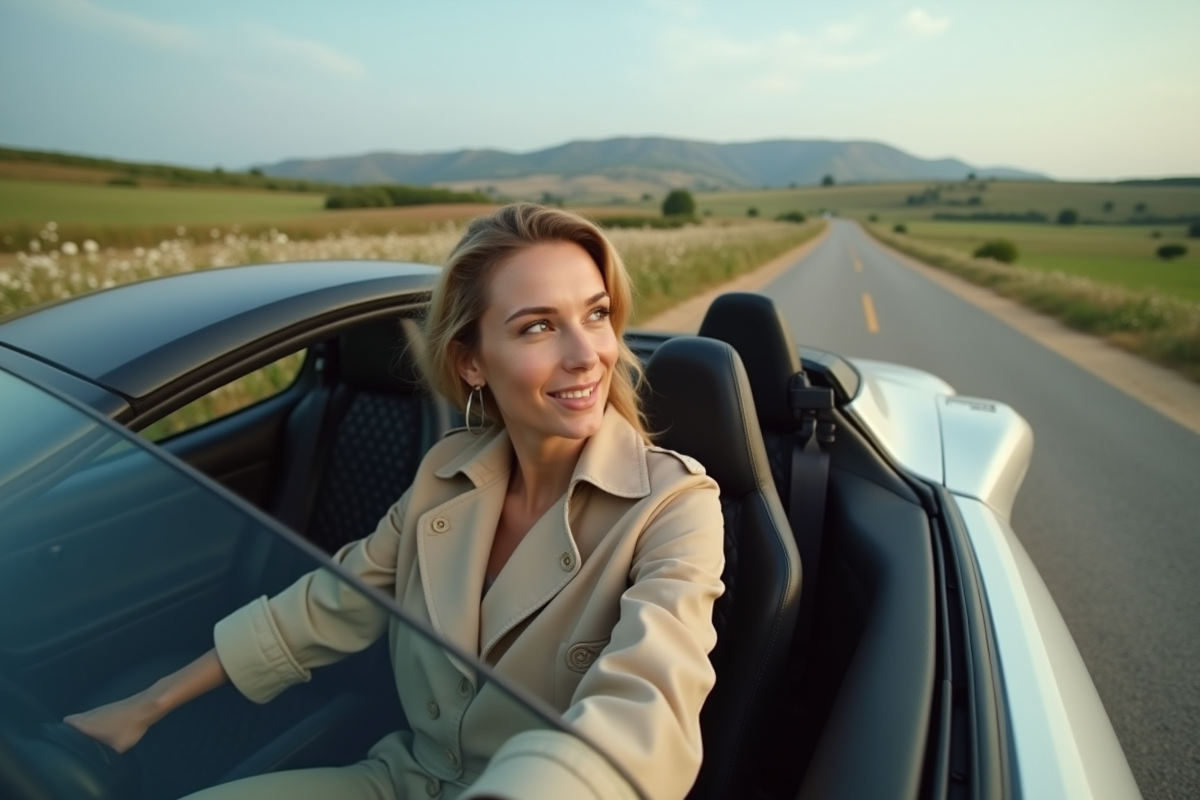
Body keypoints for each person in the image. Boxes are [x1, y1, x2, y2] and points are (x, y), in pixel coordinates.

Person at [65, 203, 726, 800]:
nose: (588, 355)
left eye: (597, 313)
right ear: (471, 362)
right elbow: (325, 608)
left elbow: (648, 701)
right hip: (402, 781)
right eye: (537, 328)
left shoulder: (676, 505)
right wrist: (145, 707)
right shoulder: (446, 472)